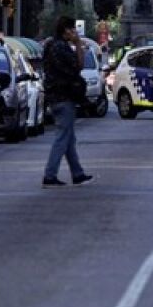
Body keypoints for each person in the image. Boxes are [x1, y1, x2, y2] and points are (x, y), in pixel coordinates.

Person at [42, 16, 93, 188]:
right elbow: (79, 65)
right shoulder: (61, 47)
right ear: (66, 30)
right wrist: (78, 44)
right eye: (72, 29)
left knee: (69, 138)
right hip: (64, 96)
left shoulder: (50, 45)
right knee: (63, 137)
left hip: (55, 96)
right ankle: (50, 175)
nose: (74, 32)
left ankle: (77, 173)